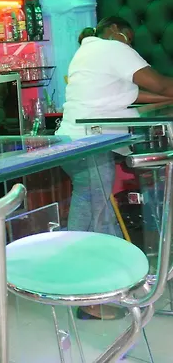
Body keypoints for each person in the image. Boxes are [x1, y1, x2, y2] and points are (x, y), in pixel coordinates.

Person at [56, 16, 173, 319]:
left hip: (74, 143)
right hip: (88, 145)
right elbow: (160, 84)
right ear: (114, 31)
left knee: (96, 215)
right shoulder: (111, 47)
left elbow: (138, 94)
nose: (129, 44)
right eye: (128, 38)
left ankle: (97, 290)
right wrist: (165, 91)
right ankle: (88, 298)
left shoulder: (87, 51)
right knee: (96, 219)